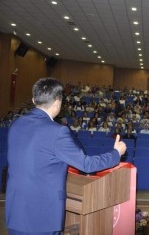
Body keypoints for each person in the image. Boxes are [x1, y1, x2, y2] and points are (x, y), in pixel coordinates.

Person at [5, 78, 127, 235]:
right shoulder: (57, 132)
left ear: (34, 99)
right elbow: (86, 164)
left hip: (16, 212)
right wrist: (116, 153)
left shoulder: (16, 124)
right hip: (41, 217)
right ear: (58, 102)